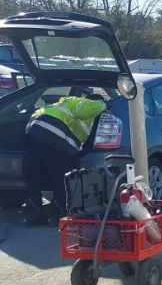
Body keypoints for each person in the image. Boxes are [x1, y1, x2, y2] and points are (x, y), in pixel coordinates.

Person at [22, 90, 109, 225]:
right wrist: (103, 104)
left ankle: (33, 216)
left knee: (33, 179)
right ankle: (60, 216)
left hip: (34, 133)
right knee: (61, 179)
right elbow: (92, 108)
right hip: (53, 137)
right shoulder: (85, 104)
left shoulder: (60, 105)